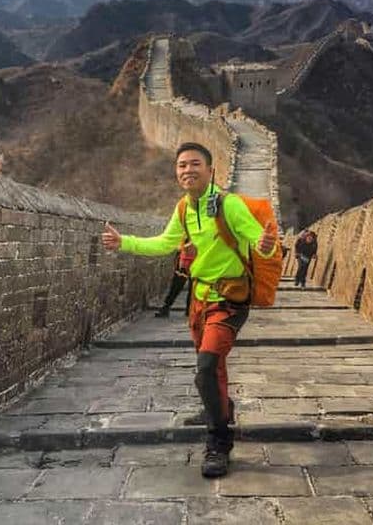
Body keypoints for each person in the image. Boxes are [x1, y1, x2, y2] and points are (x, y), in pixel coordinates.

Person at [102, 141, 276, 478]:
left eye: (195, 164)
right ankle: (220, 409)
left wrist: (266, 245)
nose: (187, 170)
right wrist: (124, 242)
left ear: (211, 170)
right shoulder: (184, 208)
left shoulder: (231, 204)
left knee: (207, 365)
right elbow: (165, 243)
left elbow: (259, 241)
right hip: (198, 299)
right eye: (181, 165)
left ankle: (218, 444)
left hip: (230, 298)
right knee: (210, 368)